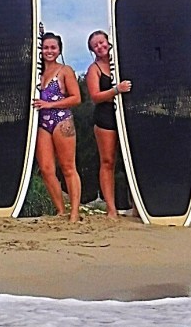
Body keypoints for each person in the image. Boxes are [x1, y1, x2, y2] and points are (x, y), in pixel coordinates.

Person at [32, 32, 83, 221]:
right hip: (42, 123)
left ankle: (75, 212)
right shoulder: (36, 74)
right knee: (46, 169)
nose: (49, 51)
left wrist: (50, 105)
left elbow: (76, 98)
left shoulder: (65, 70)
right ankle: (60, 210)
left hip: (61, 120)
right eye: (45, 47)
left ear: (59, 49)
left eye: (53, 47)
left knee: (68, 167)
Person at [84, 30, 132, 218]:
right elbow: (95, 96)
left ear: (108, 42)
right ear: (92, 50)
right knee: (108, 161)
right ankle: (111, 208)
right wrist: (116, 90)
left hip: (128, 115)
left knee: (131, 161)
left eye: (102, 42)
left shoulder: (122, 60)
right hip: (105, 118)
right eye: (96, 45)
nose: (100, 47)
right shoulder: (93, 69)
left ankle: (137, 204)